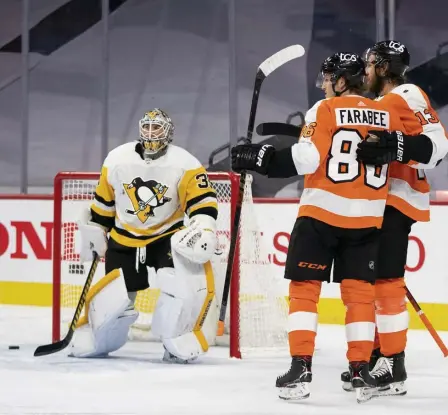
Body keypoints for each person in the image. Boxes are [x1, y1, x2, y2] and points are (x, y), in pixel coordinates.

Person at [231, 53, 404, 402]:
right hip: (368, 217)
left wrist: (262, 158)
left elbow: (307, 158)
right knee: (359, 296)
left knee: (304, 290)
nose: (324, 85)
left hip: (321, 214)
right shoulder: (387, 112)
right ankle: (360, 370)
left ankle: (301, 367)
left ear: (341, 80)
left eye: (327, 79)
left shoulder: (323, 110)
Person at [340, 40, 448, 396]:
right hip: (373, 202)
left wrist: (399, 146)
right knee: (368, 285)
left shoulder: (407, 93)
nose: (364, 72)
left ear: (382, 68)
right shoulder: (373, 105)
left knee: (385, 283)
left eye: (369, 66)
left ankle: (393, 363)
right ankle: (376, 355)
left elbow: (439, 145)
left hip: (396, 200)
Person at [71, 108, 219, 363]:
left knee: (177, 288)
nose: (151, 133)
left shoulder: (185, 163)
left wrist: (203, 226)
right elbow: (105, 202)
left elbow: (202, 200)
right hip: (124, 236)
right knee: (116, 298)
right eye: (147, 127)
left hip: (166, 237)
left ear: (168, 131)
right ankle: (101, 340)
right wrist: (96, 230)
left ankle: (176, 342)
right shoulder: (117, 158)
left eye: (157, 127)